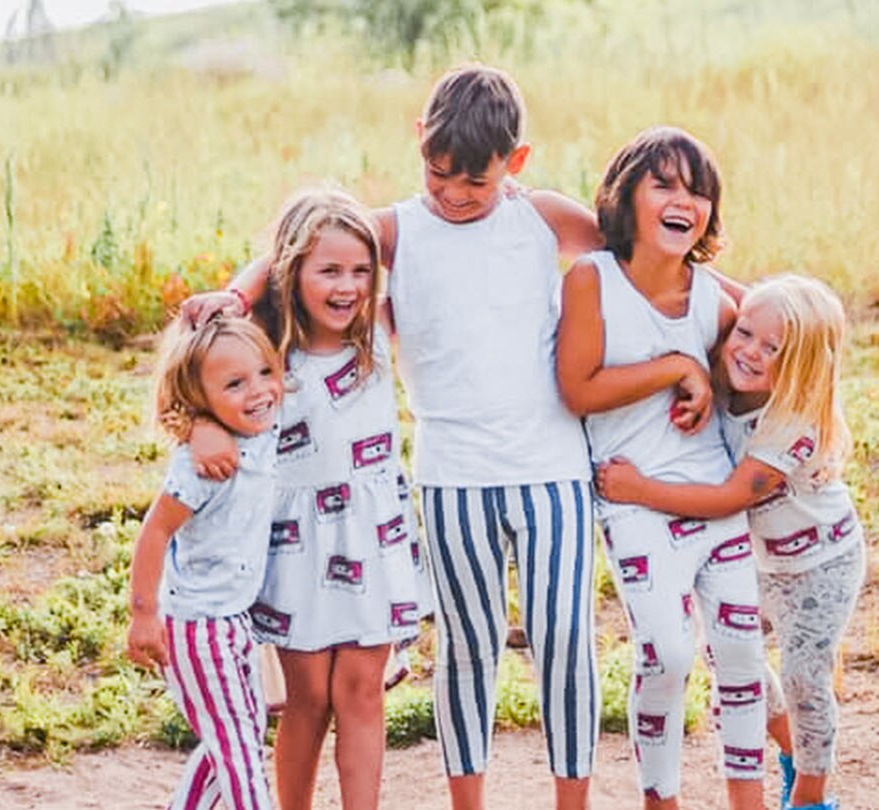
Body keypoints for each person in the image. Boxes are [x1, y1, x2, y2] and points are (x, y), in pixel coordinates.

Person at [185, 63, 605, 810]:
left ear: (516, 162)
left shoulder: (540, 216)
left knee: (565, 640)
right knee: (467, 651)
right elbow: (302, 243)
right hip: (450, 478)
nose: (451, 193)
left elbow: (638, 258)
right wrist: (239, 293)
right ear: (419, 143)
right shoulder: (397, 231)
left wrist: (738, 309)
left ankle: (571, 799)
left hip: (551, 468)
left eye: (473, 183)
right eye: (437, 173)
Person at [557, 126, 768, 809]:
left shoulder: (717, 302)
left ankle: (750, 798)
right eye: (666, 186)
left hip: (714, 497)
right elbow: (579, 388)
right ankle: (661, 797)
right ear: (626, 198)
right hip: (633, 498)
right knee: (669, 653)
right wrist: (677, 367)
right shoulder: (593, 281)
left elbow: (775, 337)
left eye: (699, 191)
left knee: (740, 656)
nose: (686, 201)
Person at [598, 274, 864, 810]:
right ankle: (791, 751)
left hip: (822, 562)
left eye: (772, 348)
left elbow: (728, 498)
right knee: (731, 656)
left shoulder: (793, 422)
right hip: (765, 562)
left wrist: (639, 489)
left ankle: (811, 797)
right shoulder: (731, 367)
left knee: (803, 677)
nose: (748, 351)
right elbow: (730, 301)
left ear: (802, 364)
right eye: (744, 333)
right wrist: (688, 267)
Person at [240, 188, 431, 810]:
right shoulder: (264, 354)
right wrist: (242, 289)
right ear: (291, 274)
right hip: (297, 545)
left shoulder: (378, 330)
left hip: (373, 537)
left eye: (359, 271)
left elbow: (439, 246)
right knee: (309, 698)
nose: (347, 286)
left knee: (361, 689)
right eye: (328, 270)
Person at [124, 315, 286, 810]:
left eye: (265, 372)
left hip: (235, 619)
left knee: (234, 738)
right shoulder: (203, 467)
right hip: (198, 627)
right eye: (235, 384)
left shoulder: (263, 424)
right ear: (201, 400)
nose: (258, 391)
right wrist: (142, 614)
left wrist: (205, 419)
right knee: (241, 755)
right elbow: (154, 532)